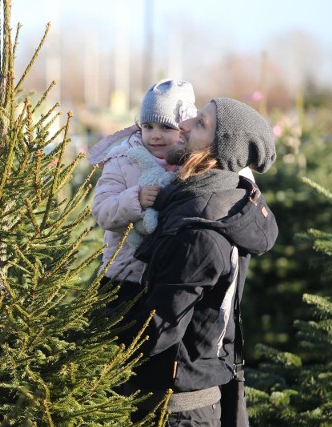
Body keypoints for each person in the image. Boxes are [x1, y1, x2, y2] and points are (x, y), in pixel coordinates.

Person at [119, 97, 278, 426]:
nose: (185, 124)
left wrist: (88, 331)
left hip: (177, 411)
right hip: (172, 400)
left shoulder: (201, 231)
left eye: (201, 123)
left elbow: (156, 328)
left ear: (218, 150)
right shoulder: (205, 201)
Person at [88, 79, 197, 313]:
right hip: (125, 277)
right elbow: (102, 211)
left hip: (171, 279)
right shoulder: (122, 159)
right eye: (148, 126)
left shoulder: (192, 166)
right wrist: (134, 199)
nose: (155, 135)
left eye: (166, 127)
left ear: (184, 129)